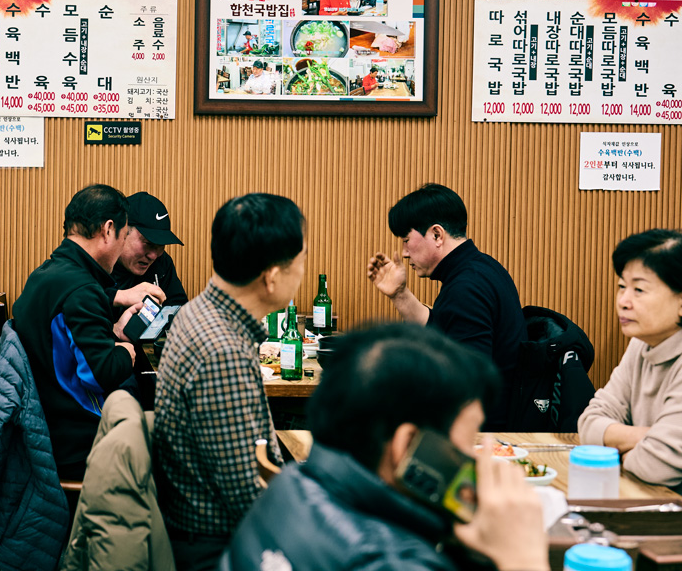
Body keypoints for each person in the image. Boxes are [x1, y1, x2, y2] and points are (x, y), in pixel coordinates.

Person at [222, 322, 549, 571]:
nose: (476, 460)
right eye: (471, 441)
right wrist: (525, 558)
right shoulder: (390, 561)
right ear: (407, 445)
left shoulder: (287, 487)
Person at [153, 193, 305, 571]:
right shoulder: (223, 352)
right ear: (271, 276)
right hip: (219, 546)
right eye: (301, 260)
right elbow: (248, 495)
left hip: (203, 529)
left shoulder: (198, 312)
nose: (303, 270)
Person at [366, 183, 526, 428]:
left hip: (483, 434)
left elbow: (468, 384)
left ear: (437, 235)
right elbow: (443, 328)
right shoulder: (481, 268)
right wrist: (399, 294)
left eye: (407, 240)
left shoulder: (467, 288)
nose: (405, 253)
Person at [13, 184, 145, 479]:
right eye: (125, 237)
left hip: (42, 424)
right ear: (108, 231)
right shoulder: (82, 290)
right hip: (75, 442)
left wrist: (111, 328)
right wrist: (126, 351)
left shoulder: (47, 274)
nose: (123, 246)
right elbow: (100, 374)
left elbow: (67, 343)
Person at [579, 229, 682, 489]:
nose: (623, 301)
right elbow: (588, 423)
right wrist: (646, 437)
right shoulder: (641, 344)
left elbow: (656, 466)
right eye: (622, 287)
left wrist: (615, 447)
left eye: (639, 290)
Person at [108, 191, 187, 313]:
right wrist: (119, 296)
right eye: (148, 243)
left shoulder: (162, 263)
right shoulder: (98, 261)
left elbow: (180, 311)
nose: (153, 255)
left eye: (160, 245)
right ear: (122, 231)